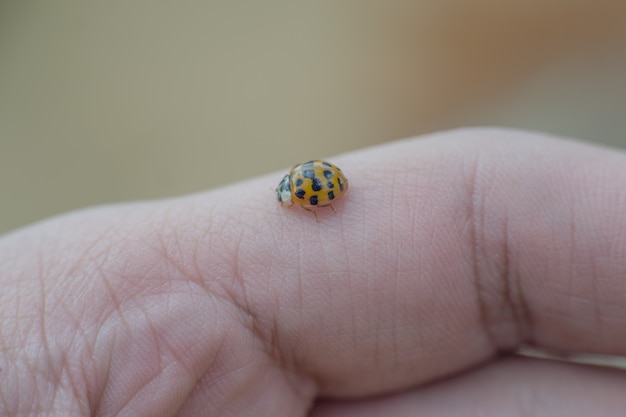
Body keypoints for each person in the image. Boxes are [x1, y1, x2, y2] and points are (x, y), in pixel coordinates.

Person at [2, 128, 626, 416]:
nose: (301, 197)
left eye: (301, 195)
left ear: (299, 193)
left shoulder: (311, 191)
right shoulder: (301, 192)